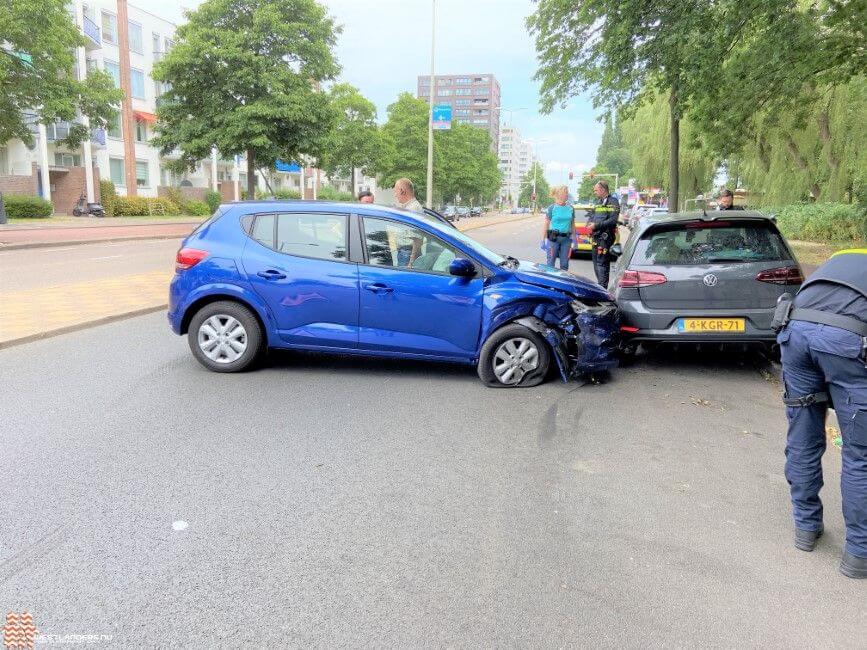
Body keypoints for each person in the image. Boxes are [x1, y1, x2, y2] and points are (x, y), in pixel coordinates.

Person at [775, 249, 867, 579]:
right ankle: (859, 553)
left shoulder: (845, 256)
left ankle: (806, 528)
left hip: (795, 331)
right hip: (848, 342)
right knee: (861, 456)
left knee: (803, 438)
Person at [586, 180, 620, 288]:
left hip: (605, 237)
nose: (594, 192)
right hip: (596, 237)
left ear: (602, 189)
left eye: (596, 190)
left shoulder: (613, 202)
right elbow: (592, 216)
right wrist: (589, 224)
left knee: (602, 264)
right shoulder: (598, 202)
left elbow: (613, 220)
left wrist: (596, 226)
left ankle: (602, 289)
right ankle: (601, 286)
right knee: (596, 263)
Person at [541, 185, 574, 270]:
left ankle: (563, 282)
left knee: (564, 265)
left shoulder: (571, 208)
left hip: (566, 238)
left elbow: (572, 224)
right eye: (566, 192)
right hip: (553, 237)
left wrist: (575, 239)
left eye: (567, 192)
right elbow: (546, 224)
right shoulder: (552, 208)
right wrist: (543, 239)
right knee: (550, 263)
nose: (567, 194)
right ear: (560, 194)